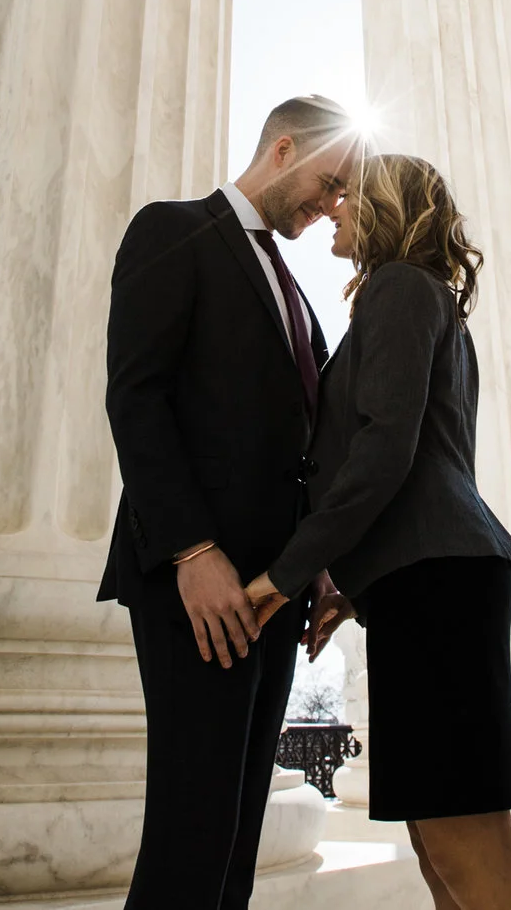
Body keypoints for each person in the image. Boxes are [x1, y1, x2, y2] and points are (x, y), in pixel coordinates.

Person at [245, 153, 511, 910]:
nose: (335, 207)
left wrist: (284, 573)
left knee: (466, 843)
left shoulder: (399, 288)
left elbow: (387, 451)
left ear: (385, 207)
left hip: (438, 591)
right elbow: (431, 469)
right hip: (424, 583)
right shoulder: (419, 299)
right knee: (436, 842)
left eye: (349, 196)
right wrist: (353, 586)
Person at [99, 95, 366, 910]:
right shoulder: (172, 229)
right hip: (197, 586)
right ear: (282, 149)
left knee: (236, 839)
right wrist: (190, 549)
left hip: (271, 595)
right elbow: (134, 397)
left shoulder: (293, 292)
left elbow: (298, 450)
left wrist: (314, 568)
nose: (331, 210)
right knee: (192, 831)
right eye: (327, 184)